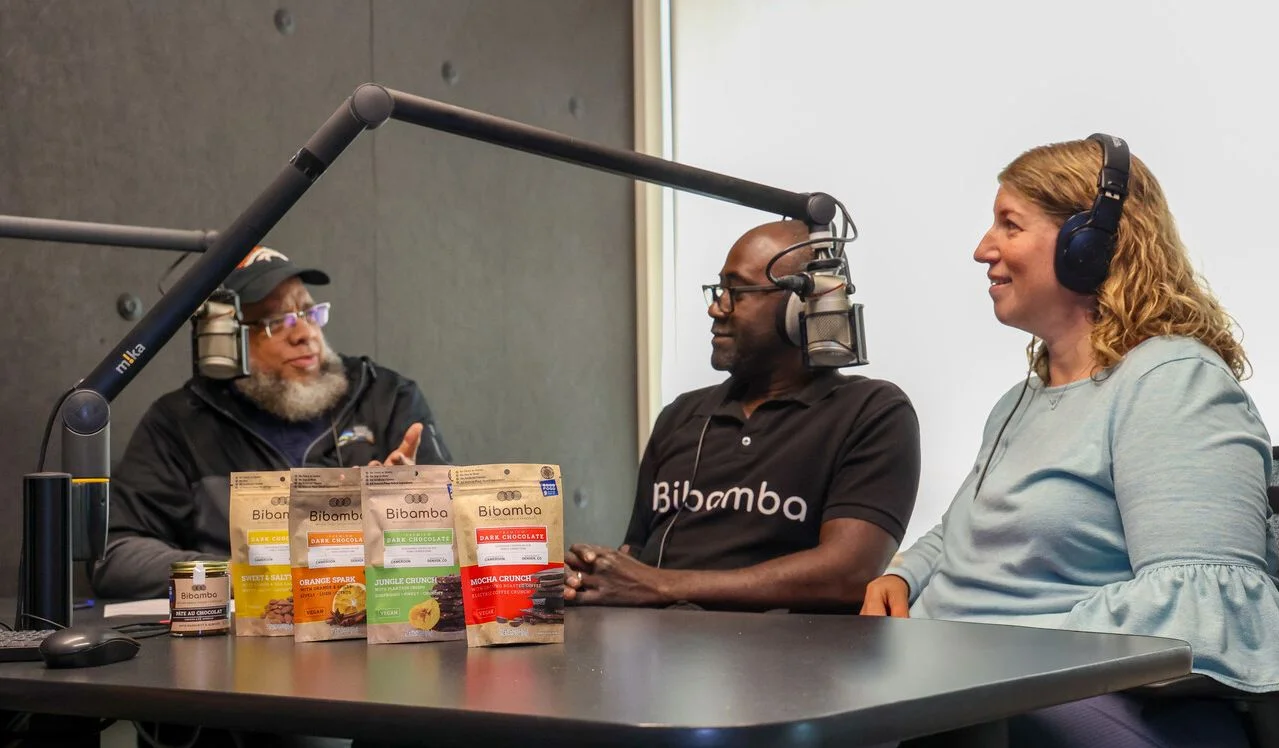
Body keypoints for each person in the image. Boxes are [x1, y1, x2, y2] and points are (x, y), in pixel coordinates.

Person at [861, 135, 1279, 746]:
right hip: (962, 674)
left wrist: (989, 651)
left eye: (1010, 224)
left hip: (1059, 695)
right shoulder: (1020, 400)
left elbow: (1204, 604)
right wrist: (902, 578)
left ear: (1089, 244)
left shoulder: (1171, 381)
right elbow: (959, 533)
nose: (983, 249)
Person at [565, 220, 921, 612]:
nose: (716, 307)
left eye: (736, 290)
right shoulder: (682, 415)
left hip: (779, 661)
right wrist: (598, 577)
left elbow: (849, 572)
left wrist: (663, 585)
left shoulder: (871, 413)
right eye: (720, 290)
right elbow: (636, 554)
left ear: (798, 306)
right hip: (657, 651)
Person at [91, 246, 452, 600]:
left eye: (310, 313)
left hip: (372, 629)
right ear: (225, 340)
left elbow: (458, 531)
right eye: (276, 321)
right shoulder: (180, 424)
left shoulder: (386, 397)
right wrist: (243, 578)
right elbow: (117, 556)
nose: (305, 333)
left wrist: (412, 505)